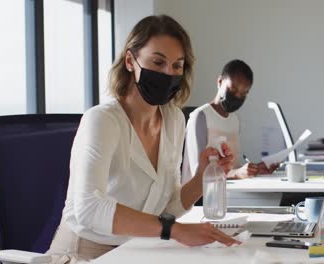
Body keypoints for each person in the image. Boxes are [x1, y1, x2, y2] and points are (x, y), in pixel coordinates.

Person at [46, 15, 240, 264]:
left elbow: (164, 211)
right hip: (83, 253)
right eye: (158, 62)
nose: (167, 73)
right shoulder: (102, 120)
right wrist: (175, 231)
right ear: (130, 61)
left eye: (176, 66)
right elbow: (88, 208)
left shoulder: (173, 120)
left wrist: (202, 178)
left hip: (136, 251)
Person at [182, 60, 279, 184]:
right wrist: (237, 174)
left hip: (226, 191)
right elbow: (199, 172)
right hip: (200, 197)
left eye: (243, 94)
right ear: (220, 82)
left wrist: (256, 169)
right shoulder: (200, 117)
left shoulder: (234, 120)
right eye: (232, 89)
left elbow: (233, 167)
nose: (237, 97)